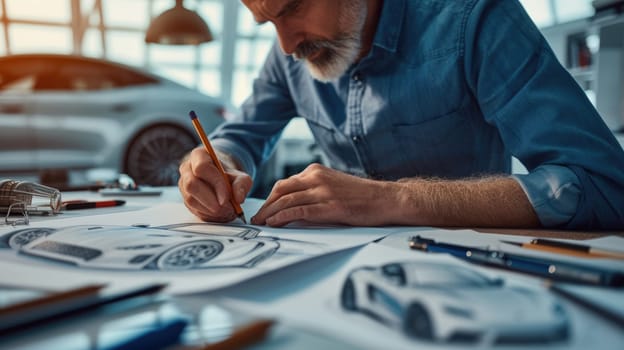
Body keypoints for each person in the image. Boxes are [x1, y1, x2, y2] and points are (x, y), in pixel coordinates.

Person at [178, 0, 624, 229]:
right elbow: (241, 136)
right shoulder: (291, 57)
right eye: (267, 22)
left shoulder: (473, 18)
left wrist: (392, 200)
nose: (286, 45)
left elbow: (603, 185)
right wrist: (216, 163)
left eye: (293, 7)